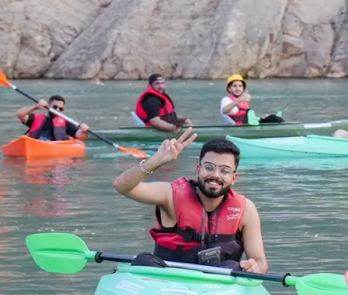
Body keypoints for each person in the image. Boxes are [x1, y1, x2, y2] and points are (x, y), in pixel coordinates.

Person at [112, 132, 269, 272]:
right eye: (209, 167)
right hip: (167, 280)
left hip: (218, 286)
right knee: (143, 260)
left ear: (234, 178)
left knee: (233, 267)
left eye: (225, 171)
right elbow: (122, 187)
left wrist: (254, 267)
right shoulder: (170, 195)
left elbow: (260, 261)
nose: (215, 175)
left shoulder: (246, 209)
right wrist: (155, 161)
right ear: (198, 169)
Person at [16, 94, 89, 142]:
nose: (57, 110)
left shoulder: (65, 122)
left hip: (54, 147)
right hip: (36, 144)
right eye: (55, 107)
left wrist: (85, 131)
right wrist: (36, 106)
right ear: (48, 105)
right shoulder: (36, 118)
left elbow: (80, 137)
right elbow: (20, 114)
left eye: (60, 109)